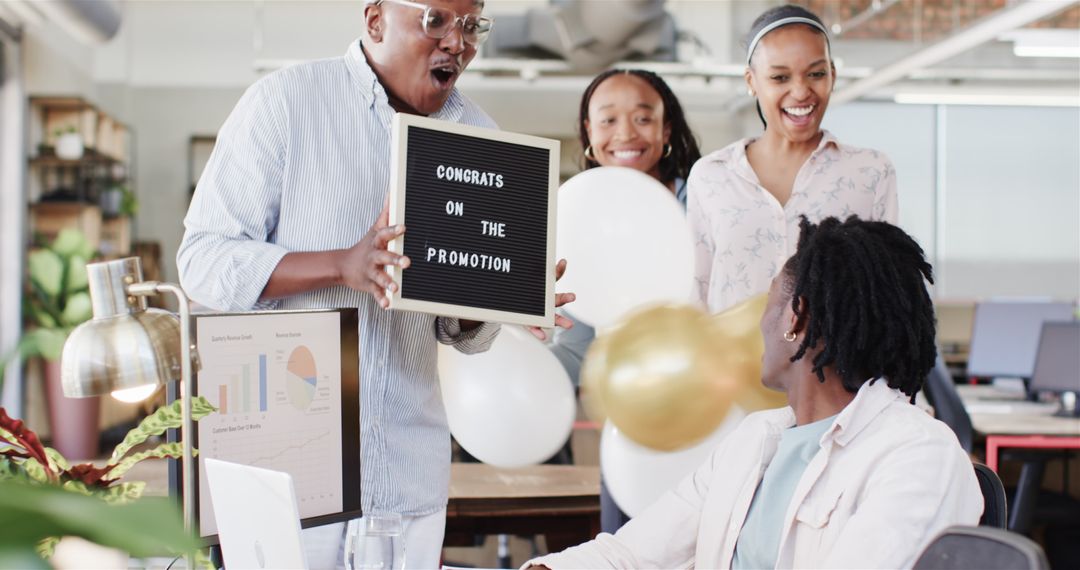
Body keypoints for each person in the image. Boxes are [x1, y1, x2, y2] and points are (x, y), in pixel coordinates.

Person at [177, 0, 571, 567]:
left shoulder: (479, 135)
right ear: (375, 19)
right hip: (287, 478)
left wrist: (501, 296)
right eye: (436, 20)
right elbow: (203, 262)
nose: (456, 43)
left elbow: (455, 331)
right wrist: (342, 265)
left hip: (408, 479)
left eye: (471, 25)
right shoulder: (287, 102)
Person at [524, 216, 983, 569]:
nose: (756, 322)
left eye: (767, 305)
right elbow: (632, 555)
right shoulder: (755, 439)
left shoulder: (918, 454)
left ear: (796, 318)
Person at [548, 68, 701, 533]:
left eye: (642, 118)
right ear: (589, 136)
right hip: (631, 431)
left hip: (708, 414)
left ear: (666, 129)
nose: (626, 134)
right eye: (608, 120)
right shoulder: (579, 220)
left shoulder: (705, 201)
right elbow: (580, 349)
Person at [688, 4, 898, 315]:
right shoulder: (711, 176)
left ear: (832, 75)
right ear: (751, 81)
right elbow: (697, 293)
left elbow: (887, 292)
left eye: (816, 74)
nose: (800, 92)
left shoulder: (870, 172)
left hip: (831, 364)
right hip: (730, 363)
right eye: (780, 77)